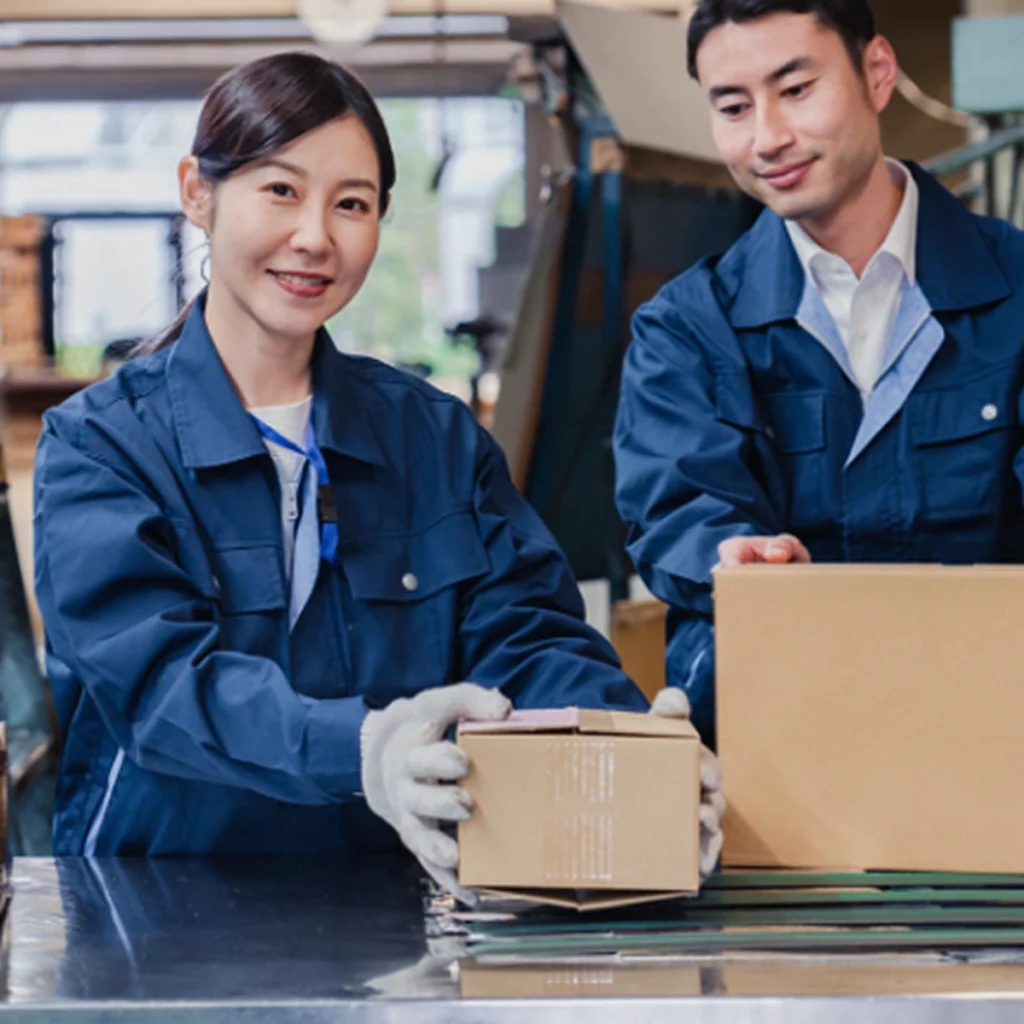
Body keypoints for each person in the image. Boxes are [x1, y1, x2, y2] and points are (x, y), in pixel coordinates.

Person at [34, 53, 723, 893]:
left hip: (394, 908)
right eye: (280, 191)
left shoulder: (429, 437)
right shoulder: (101, 447)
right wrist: (365, 748)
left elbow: (527, 637)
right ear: (198, 192)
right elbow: (159, 687)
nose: (315, 236)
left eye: (351, 204)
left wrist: (633, 759)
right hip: (151, 914)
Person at [614, 0, 1024, 746]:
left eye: (796, 89)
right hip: (779, 744)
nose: (768, 137)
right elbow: (676, 504)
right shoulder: (686, 329)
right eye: (734, 106)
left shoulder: (1017, 288)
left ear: (877, 72)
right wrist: (730, 553)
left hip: (997, 730)